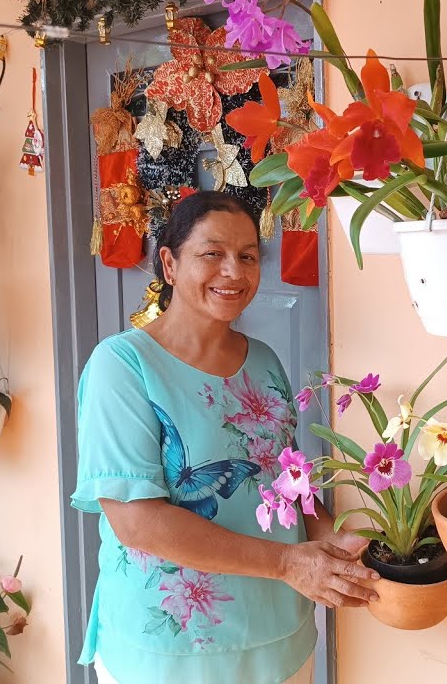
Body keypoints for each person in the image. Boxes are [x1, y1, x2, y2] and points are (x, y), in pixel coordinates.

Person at [71, 192, 377, 684]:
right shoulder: (122, 366)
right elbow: (138, 522)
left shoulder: (264, 359)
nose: (234, 271)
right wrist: (288, 564)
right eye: (212, 254)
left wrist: (330, 539)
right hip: (171, 656)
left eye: (248, 255)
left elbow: (284, 485)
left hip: (281, 638)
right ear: (169, 264)